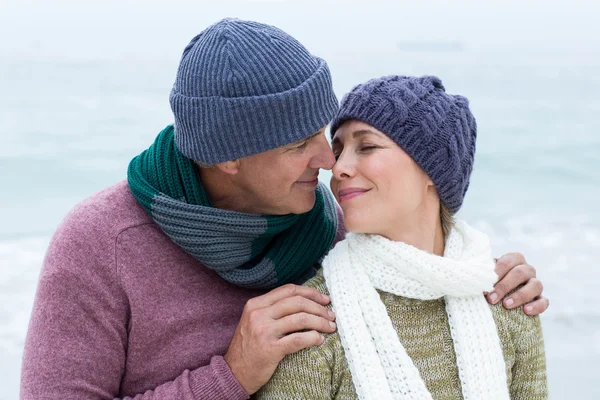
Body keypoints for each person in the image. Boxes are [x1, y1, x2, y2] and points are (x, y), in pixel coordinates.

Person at [20, 20, 548, 400]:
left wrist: (491, 277)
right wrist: (231, 375)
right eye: (299, 144)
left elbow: (419, 268)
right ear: (227, 157)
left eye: (327, 133)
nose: (328, 162)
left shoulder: (334, 225)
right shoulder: (102, 243)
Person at [257, 75, 548, 399]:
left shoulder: (508, 301)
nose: (338, 168)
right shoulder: (312, 323)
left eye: (366, 146)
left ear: (432, 170)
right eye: (338, 152)